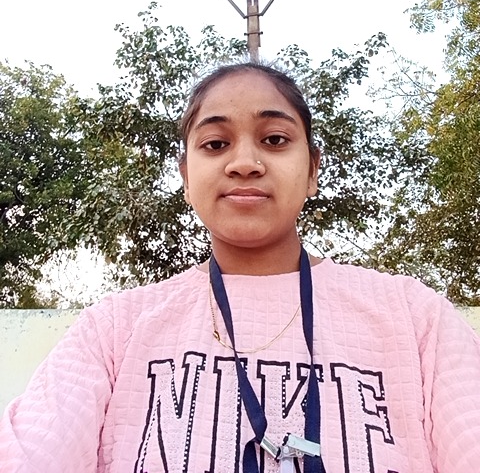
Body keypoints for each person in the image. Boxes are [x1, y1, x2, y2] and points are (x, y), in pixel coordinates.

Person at [1, 61, 479, 473]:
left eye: (275, 139)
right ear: (187, 178)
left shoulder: (415, 318)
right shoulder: (113, 331)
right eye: (215, 144)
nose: (245, 163)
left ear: (312, 170)